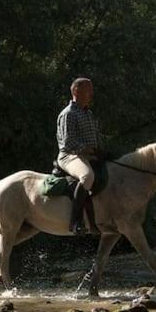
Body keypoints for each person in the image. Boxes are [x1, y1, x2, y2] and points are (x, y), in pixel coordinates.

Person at [56, 77, 102, 235]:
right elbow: (68, 143)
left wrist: (100, 149)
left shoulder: (88, 113)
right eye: (88, 90)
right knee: (87, 176)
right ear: (76, 91)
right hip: (69, 156)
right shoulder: (68, 114)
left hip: (88, 156)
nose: (91, 93)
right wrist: (87, 149)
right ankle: (75, 222)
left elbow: (96, 138)